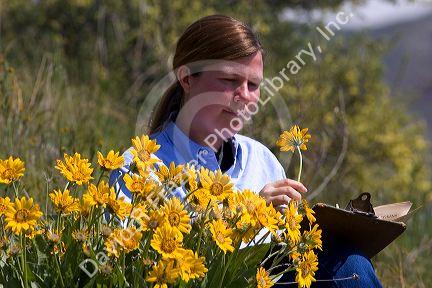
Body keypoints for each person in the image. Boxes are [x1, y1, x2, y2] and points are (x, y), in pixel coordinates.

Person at [110, 14, 383, 288]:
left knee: (348, 262)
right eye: (229, 80)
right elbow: (132, 268)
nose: (245, 96)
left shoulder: (261, 160)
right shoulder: (140, 168)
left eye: (253, 85)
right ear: (187, 78)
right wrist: (248, 213)